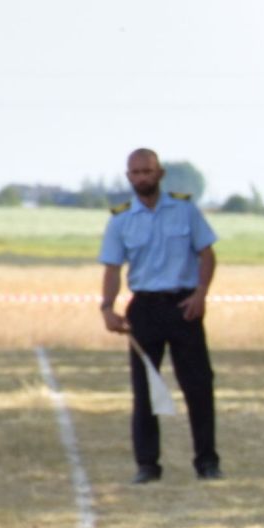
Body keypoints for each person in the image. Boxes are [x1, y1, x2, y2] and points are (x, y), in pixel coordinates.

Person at [97, 145, 220, 483]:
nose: (142, 178)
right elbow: (112, 269)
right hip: (144, 310)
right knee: (146, 390)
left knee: (198, 387)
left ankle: (207, 462)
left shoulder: (185, 210)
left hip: (184, 307)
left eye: (147, 171)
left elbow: (207, 255)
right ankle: (147, 466)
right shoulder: (121, 219)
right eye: (136, 173)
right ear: (128, 177)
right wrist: (107, 308)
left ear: (160, 173)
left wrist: (201, 293)